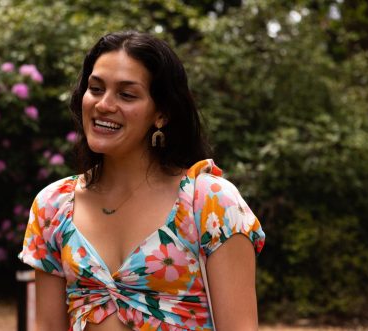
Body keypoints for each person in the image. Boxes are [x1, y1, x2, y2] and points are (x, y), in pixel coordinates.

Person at [19, 31, 265, 331]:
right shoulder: (53, 206)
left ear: (161, 114)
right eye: (95, 89)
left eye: (127, 94)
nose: (104, 104)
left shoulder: (211, 202)